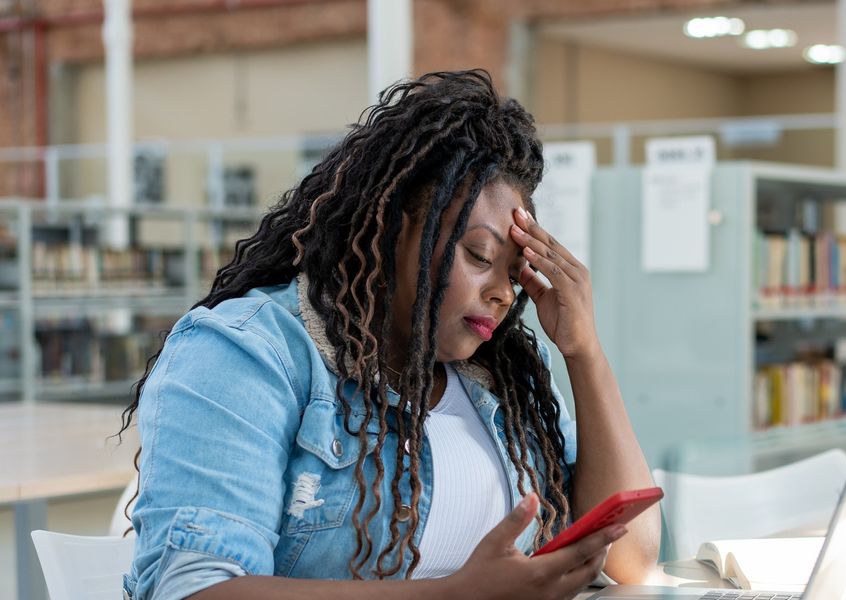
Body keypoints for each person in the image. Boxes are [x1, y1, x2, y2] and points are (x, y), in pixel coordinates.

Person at [118, 69, 659, 599]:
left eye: (514, 275)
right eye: (479, 256)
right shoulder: (245, 353)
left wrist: (584, 351)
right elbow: (196, 588)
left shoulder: (501, 376)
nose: (502, 293)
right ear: (394, 227)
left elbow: (631, 557)